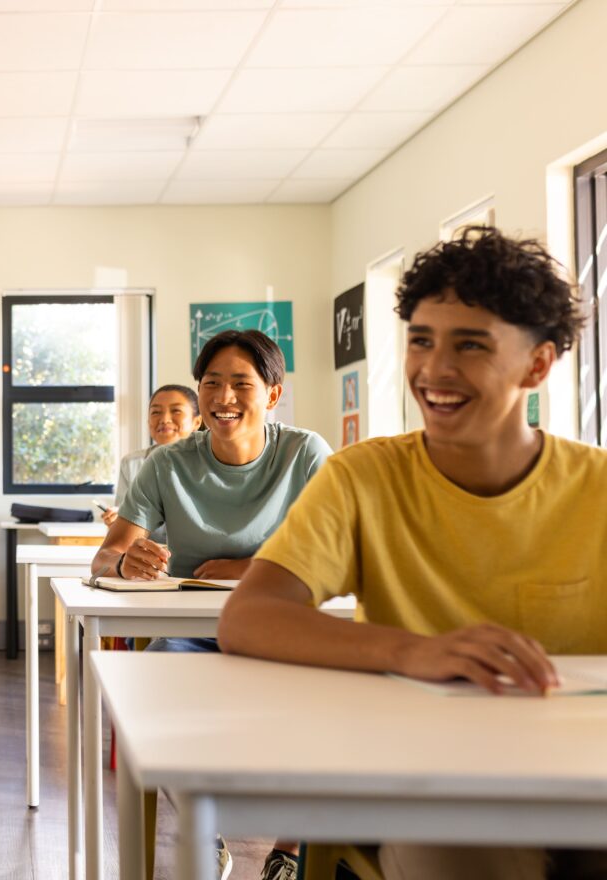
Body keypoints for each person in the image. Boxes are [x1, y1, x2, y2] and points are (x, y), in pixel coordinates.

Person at [218, 227, 606, 880]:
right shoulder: (362, 478)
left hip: (583, 767)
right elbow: (248, 617)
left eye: (471, 345)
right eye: (421, 341)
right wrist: (414, 651)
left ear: (538, 366)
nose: (434, 370)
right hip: (422, 780)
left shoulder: (597, 488)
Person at [91, 328, 332, 880]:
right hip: (195, 634)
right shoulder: (166, 464)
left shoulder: (305, 453)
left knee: (333, 696)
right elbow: (105, 558)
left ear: (272, 394)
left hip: (287, 634)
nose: (224, 398)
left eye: (241, 384)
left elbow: (340, 551)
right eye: (211, 383)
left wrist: (250, 569)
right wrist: (126, 563)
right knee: (151, 675)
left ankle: (288, 853)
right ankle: (206, 833)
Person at [101, 383, 202, 541]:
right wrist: (116, 523)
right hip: (146, 554)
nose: (164, 419)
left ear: (196, 422)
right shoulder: (132, 463)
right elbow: (124, 527)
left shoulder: (212, 462)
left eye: (176, 410)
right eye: (156, 412)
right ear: (149, 422)